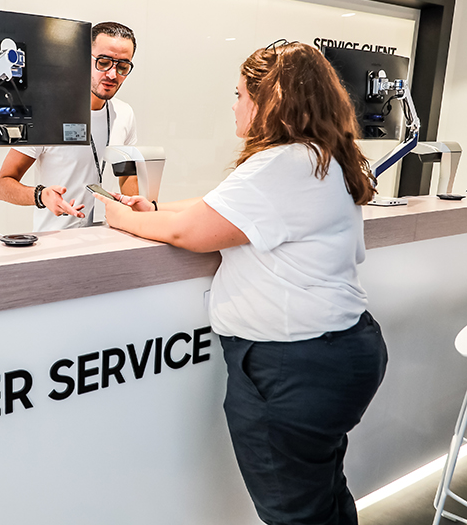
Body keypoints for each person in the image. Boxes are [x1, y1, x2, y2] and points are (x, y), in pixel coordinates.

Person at [97, 42, 388, 525]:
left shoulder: (282, 164)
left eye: (239, 95)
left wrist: (118, 216)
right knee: (323, 496)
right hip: (339, 352)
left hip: (293, 366)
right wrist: (153, 208)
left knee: (295, 514)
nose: (233, 105)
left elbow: (188, 232)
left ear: (269, 101)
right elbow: (217, 205)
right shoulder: (321, 156)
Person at [0, 22, 139, 231]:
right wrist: (41, 195)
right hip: (56, 242)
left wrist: (138, 216)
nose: (112, 74)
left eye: (123, 67)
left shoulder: (124, 113)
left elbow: (126, 176)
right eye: (104, 62)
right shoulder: (48, 113)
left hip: (107, 237)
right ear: (83, 59)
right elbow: (2, 185)